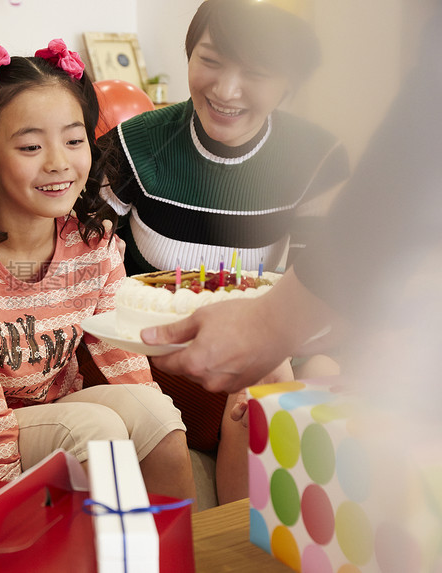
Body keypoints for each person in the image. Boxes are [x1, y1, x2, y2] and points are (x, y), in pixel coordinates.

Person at [0, 41, 196, 507]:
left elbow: (122, 362)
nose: (58, 163)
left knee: (157, 415)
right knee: (97, 431)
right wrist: (7, 508)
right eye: (30, 146)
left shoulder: (95, 244)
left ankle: (176, 557)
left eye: (74, 139)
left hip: (44, 415)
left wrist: (147, 418)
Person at [94, 0, 350, 505]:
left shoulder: (317, 157)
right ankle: (235, 550)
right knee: (261, 389)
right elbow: (76, 259)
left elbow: (322, 284)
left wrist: (288, 352)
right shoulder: (134, 145)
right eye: (210, 61)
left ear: (288, 82)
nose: (226, 90)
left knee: (325, 380)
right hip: (162, 354)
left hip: (271, 340)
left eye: (255, 71)